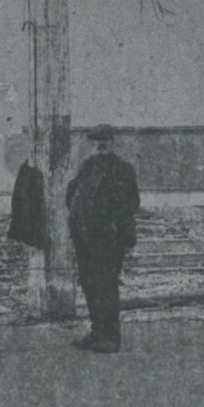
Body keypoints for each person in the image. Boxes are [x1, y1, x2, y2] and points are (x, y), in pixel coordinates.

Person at [66, 124, 140, 353]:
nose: (100, 144)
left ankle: (111, 337)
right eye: (96, 141)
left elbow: (131, 203)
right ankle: (97, 332)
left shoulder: (123, 169)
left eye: (105, 139)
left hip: (108, 237)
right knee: (90, 284)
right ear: (91, 144)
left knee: (106, 285)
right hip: (84, 235)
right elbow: (72, 193)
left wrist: (117, 228)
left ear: (112, 141)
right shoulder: (88, 166)